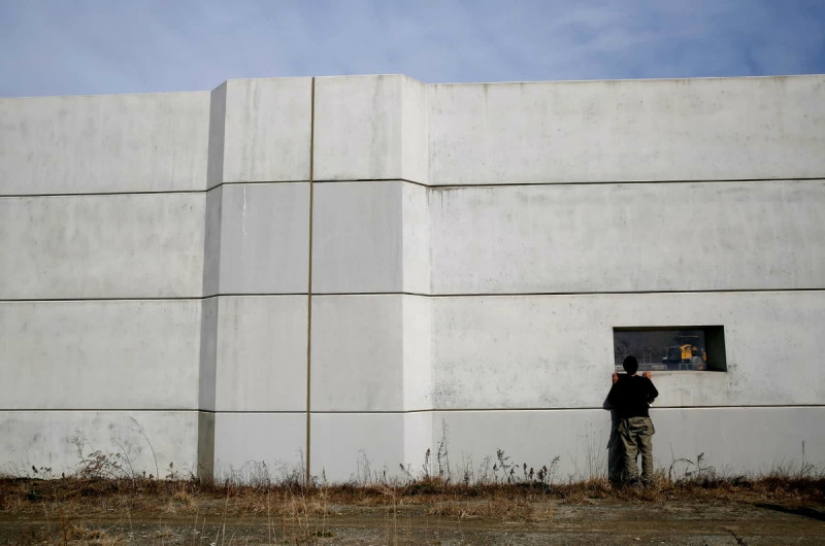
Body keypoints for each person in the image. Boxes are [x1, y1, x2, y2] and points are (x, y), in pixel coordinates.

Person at [608, 356, 659, 487]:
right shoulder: (644, 381)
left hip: (628, 421)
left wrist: (615, 383)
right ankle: (648, 480)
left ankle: (633, 481)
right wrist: (648, 380)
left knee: (630, 451)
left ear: (624, 368)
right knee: (646, 451)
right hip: (644, 420)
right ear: (637, 367)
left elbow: (612, 399)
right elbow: (655, 393)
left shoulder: (621, 382)